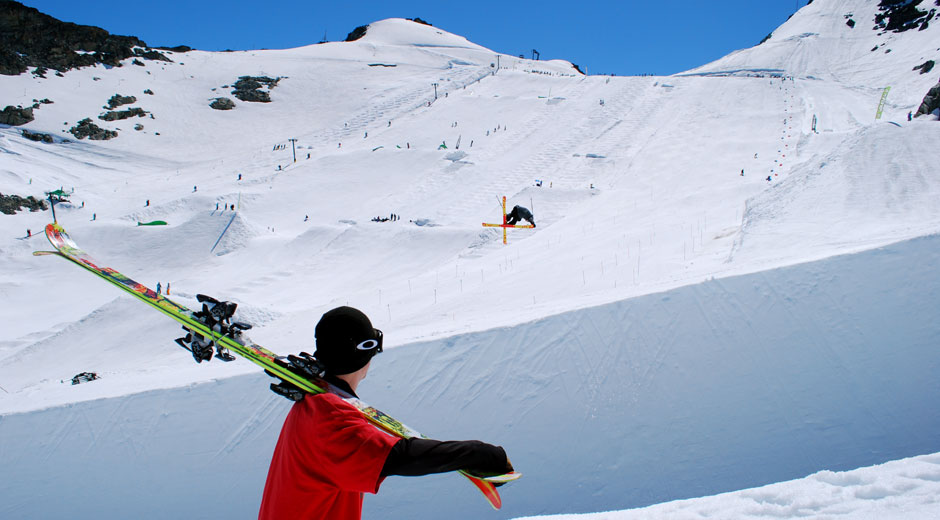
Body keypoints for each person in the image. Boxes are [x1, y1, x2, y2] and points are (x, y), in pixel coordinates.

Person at [259, 307, 512, 520]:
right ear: (365, 353)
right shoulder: (331, 416)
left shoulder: (309, 404)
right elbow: (396, 457)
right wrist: (477, 454)